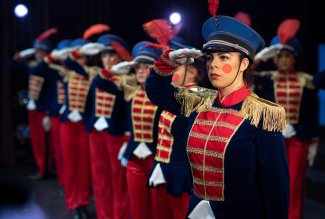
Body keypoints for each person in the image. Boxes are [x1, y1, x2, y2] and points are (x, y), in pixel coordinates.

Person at [145, 15, 289, 218]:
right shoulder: (198, 100)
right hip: (197, 210)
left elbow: (275, 187)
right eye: (211, 58)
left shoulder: (262, 114)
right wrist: (167, 62)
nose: (213, 64)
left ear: (244, 63)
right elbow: (156, 92)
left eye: (224, 58)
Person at [253, 18, 319, 219]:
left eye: (287, 56)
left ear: (293, 58)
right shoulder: (267, 77)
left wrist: (313, 141)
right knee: (270, 181)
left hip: (297, 140)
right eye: (279, 56)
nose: (283, 60)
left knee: (293, 184)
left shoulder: (305, 80)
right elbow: (243, 75)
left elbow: (311, 112)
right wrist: (258, 58)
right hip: (272, 138)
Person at [83, 34, 131, 219]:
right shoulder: (98, 76)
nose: (108, 60)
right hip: (96, 132)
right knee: (100, 179)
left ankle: (119, 215)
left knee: (118, 180)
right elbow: (89, 103)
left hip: (116, 134)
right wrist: (89, 124)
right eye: (104, 56)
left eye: (112, 56)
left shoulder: (127, 80)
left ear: (119, 57)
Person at [11, 28, 57, 180]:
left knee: (45, 143)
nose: (38, 55)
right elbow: (13, 65)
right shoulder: (33, 65)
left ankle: (45, 170)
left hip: (44, 110)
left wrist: (49, 113)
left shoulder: (49, 69)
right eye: (37, 52)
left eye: (42, 52)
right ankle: (41, 168)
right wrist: (20, 57)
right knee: (37, 142)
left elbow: (52, 92)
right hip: (33, 108)